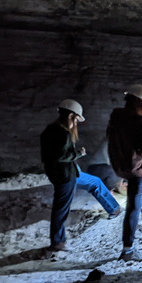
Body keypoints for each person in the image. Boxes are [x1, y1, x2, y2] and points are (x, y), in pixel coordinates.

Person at [107, 84, 142, 261]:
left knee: (136, 205)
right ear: (139, 102)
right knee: (133, 208)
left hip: (124, 167)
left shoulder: (116, 119)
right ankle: (128, 250)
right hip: (139, 170)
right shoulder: (138, 122)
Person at [40, 99, 87, 251]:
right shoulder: (64, 133)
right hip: (65, 175)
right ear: (71, 116)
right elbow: (61, 156)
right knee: (61, 209)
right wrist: (78, 153)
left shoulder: (49, 130)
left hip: (55, 173)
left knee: (60, 208)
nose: (76, 124)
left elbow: (49, 156)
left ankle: (58, 240)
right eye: (76, 119)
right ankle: (58, 241)